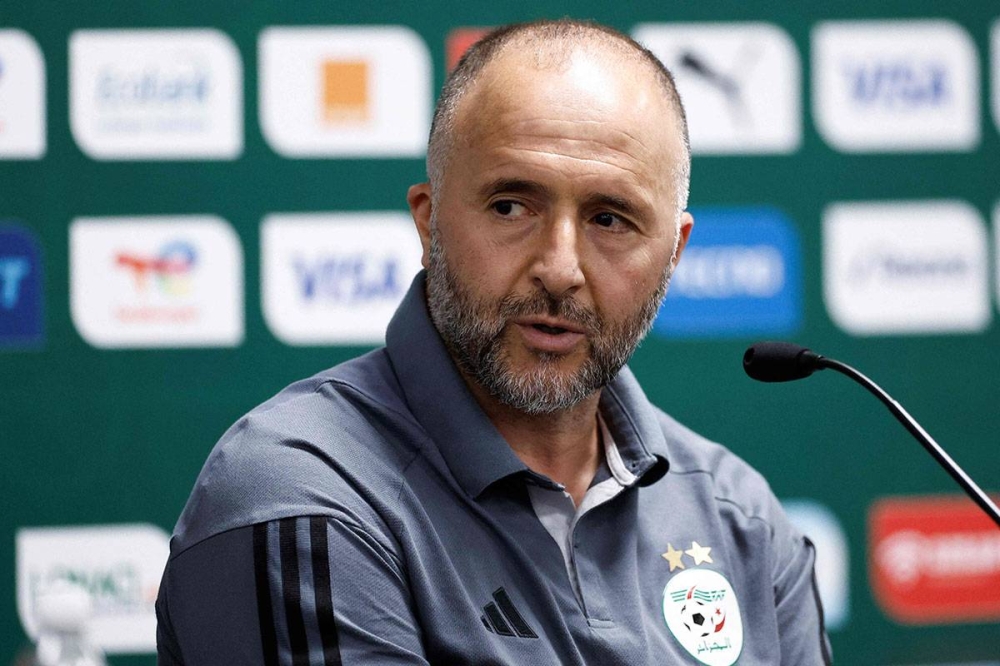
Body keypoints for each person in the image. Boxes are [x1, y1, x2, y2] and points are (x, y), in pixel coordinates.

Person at [156, 18, 832, 666]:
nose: (560, 269)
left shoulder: (740, 519)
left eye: (609, 219)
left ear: (674, 253)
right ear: (429, 223)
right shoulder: (302, 494)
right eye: (512, 206)